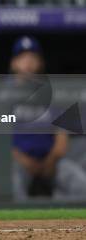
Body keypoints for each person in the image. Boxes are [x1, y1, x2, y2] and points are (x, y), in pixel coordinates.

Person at [10, 36, 86, 200]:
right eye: (23, 57)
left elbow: (62, 138)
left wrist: (51, 161)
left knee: (81, 184)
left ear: (40, 63)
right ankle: (19, 226)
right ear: (14, 63)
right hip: (18, 161)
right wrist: (24, 161)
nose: (28, 62)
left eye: (33, 57)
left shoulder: (52, 91)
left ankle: (65, 225)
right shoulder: (1, 92)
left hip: (52, 161)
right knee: (12, 183)